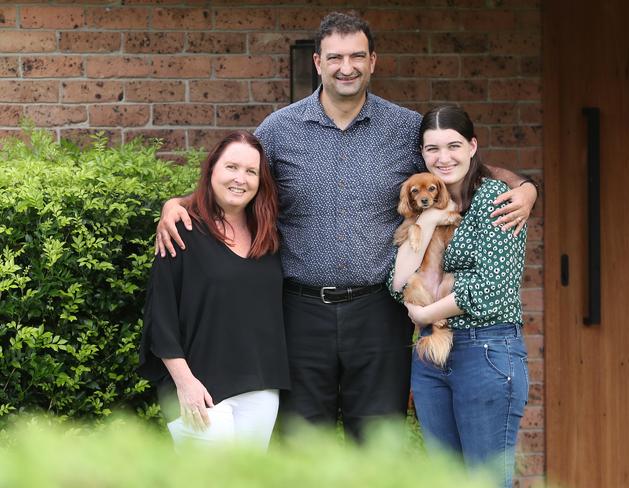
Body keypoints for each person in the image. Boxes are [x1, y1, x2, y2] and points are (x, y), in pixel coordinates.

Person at [155, 12, 537, 439]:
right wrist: (180, 202)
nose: (347, 67)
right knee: (302, 444)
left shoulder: (405, 128)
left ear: (373, 61)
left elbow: (456, 166)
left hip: (378, 312)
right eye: (335, 57)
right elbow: (237, 178)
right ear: (317, 63)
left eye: (357, 56)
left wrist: (524, 188)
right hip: (298, 312)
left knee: (375, 442)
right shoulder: (280, 130)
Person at [390, 105, 528, 487]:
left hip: (487, 352)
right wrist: (430, 219)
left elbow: (492, 284)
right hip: (432, 355)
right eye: (432, 149)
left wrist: (424, 314)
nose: (443, 157)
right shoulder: (427, 206)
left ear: (472, 146)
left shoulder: (497, 198)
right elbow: (398, 279)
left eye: (453, 146)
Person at [138, 131, 290, 449]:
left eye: (251, 172)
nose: (240, 179)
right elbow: (160, 316)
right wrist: (185, 382)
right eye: (231, 167)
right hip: (199, 389)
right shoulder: (181, 230)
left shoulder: (269, 236)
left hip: (260, 388)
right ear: (212, 170)